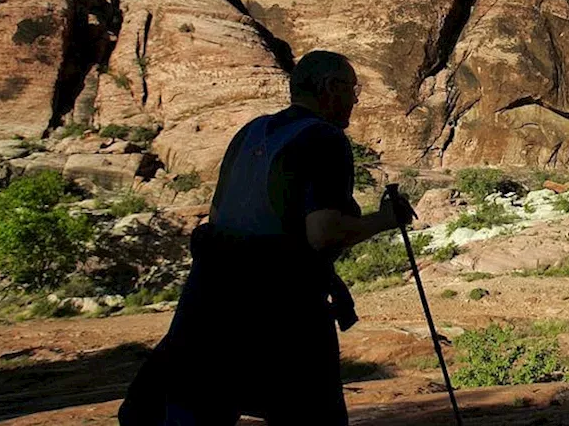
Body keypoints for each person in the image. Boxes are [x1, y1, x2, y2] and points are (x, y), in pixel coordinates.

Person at [119, 51, 415, 426]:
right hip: (280, 308)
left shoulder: (249, 132)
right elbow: (323, 233)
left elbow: (221, 215)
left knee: (192, 411)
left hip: (206, 303)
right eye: (352, 89)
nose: (356, 100)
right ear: (330, 88)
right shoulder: (324, 137)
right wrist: (385, 220)